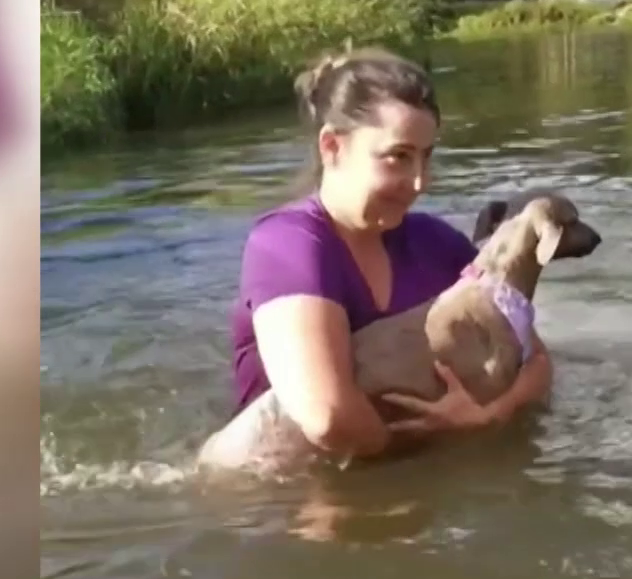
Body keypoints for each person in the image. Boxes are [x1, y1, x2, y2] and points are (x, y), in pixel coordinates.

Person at [226, 47, 554, 461]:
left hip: (418, 458)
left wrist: (482, 416)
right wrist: (414, 474)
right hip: (285, 491)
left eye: (426, 157)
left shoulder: (438, 243)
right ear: (332, 147)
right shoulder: (287, 244)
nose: (419, 182)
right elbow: (328, 418)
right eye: (397, 157)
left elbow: (535, 360)